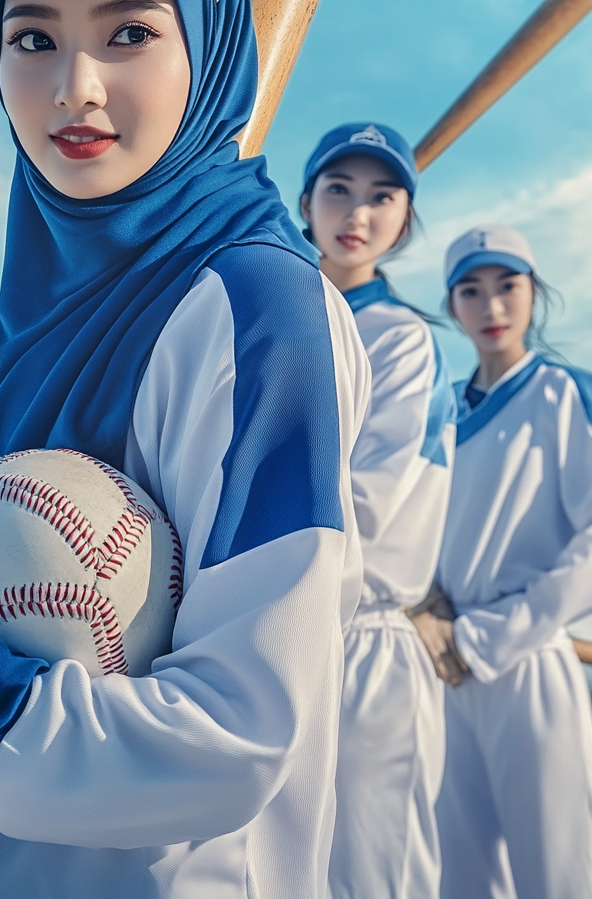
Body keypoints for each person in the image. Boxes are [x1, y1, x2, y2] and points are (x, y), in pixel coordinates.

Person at [0, 0, 371, 899]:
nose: (73, 87)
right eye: (32, 38)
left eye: (130, 31)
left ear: (212, 51)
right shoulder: (21, 327)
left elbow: (239, 730)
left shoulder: (257, 306)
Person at [298, 124, 455, 899]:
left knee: (375, 877)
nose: (357, 212)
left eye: (381, 196)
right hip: (282, 632)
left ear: (404, 222)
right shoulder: (277, 322)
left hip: (363, 637)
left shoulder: (400, 338)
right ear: (305, 203)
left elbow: (366, 501)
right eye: (338, 190)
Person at [413, 225, 592, 899]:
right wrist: (427, 610)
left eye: (507, 286)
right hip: (442, 671)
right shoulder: (442, 413)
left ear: (534, 293)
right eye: (471, 290)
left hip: (526, 660)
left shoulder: (566, 392)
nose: (491, 307)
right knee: (461, 876)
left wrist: (489, 637)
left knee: (557, 871)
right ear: (452, 305)